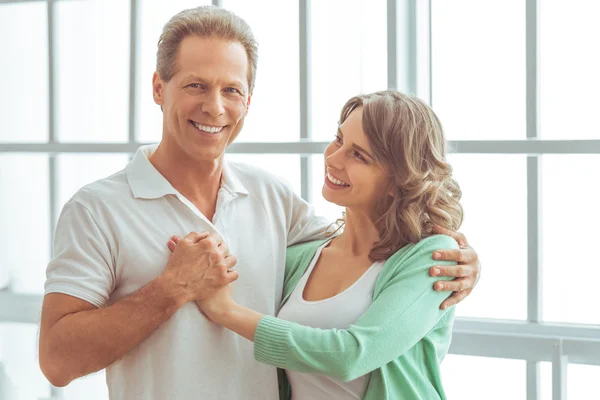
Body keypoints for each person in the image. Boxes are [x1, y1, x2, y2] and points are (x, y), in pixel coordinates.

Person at [38, 6, 480, 400]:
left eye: (231, 90)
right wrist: (171, 289)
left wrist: (458, 253)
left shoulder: (273, 197)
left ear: (248, 101)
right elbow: (57, 362)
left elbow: (370, 248)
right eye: (196, 85)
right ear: (159, 88)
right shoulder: (96, 209)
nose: (214, 107)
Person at [171, 90, 464, 399]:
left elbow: (352, 356)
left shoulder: (432, 258)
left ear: (398, 179)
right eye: (338, 140)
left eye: (359, 155)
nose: (333, 159)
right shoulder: (304, 256)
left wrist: (226, 312)